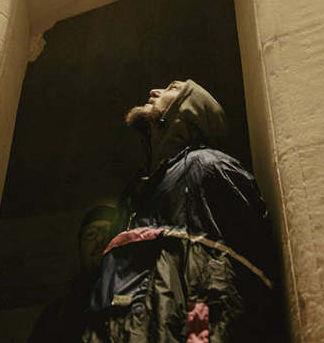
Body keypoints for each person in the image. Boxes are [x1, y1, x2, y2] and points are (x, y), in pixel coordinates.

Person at [82, 79, 286, 342]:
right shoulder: (137, 193)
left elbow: (226, 279)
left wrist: (200, 337)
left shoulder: (208, 168)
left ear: (191, 110)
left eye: (173, 88)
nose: (153, 90)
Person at [29, 205, 118, 342]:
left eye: (108, 232)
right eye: (91, 235)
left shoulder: (142, 297)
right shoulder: (56, 315)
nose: (100, 239)